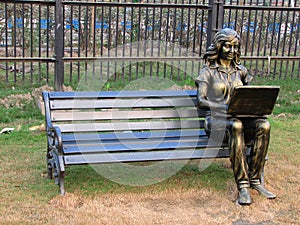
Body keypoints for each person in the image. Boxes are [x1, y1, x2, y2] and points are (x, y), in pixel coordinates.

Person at [195, 28, 276, 205]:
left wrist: (258, 107)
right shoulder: (208, 72)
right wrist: (224, 106)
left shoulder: (241, 71)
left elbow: (250, 94)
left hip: (240, 117)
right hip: (216, 121)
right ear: (219, 47)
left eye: (235, 47)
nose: (232, 51)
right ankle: (243, 186)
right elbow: (201, 100)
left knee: (264, 125)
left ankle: (255, 180)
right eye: (227, 46)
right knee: (235, 125)